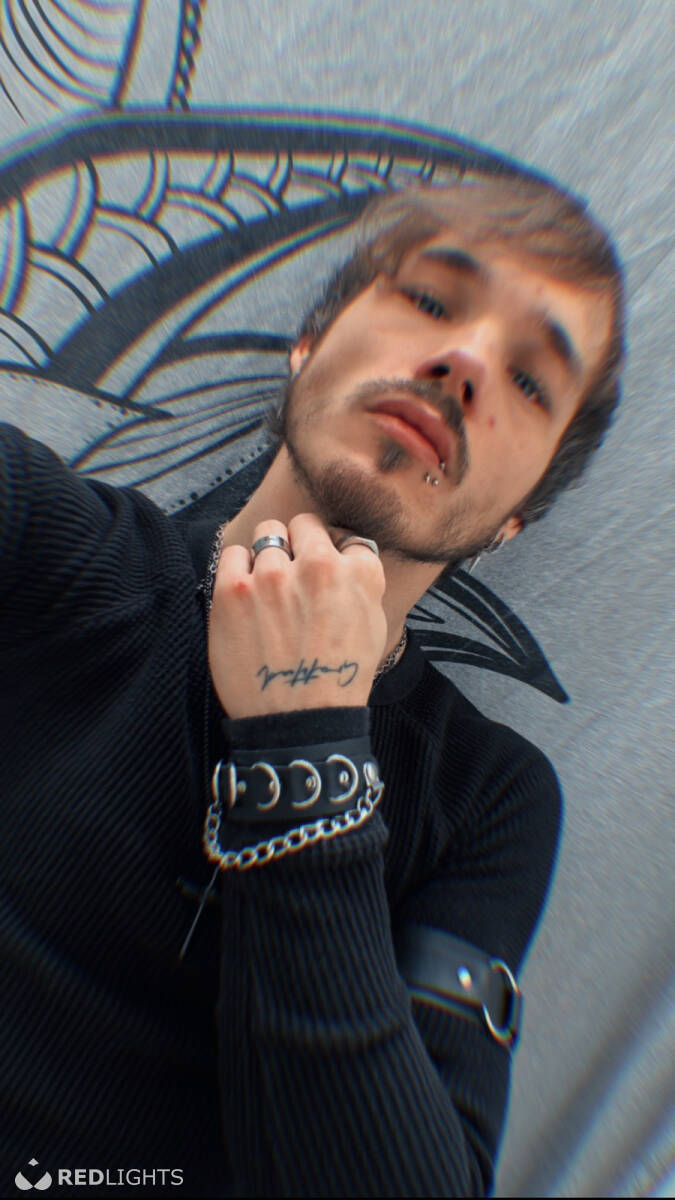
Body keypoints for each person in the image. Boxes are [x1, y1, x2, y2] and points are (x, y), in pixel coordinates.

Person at [0, 171, 624, 1197]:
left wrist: (306, 738)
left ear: (519, 514)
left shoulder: (486, 804)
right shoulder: (39, 532)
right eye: (429, 298)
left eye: (529, 379)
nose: (465, 359)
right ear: (309, 343)